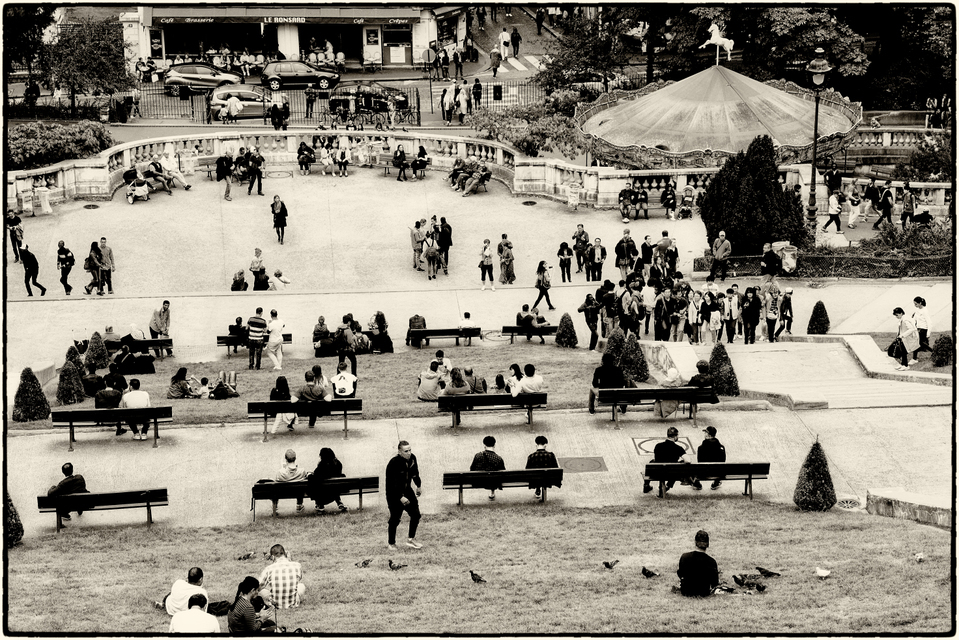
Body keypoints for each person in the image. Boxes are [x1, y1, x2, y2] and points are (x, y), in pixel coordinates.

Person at [386, 440, 423, 551]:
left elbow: (415, 473)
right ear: (399, 452)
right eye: (406, 451)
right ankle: (391, 543)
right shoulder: (393, 463)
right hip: (394, 494)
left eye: (410, 450)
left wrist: (418, 485)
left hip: (407, 491)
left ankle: (411, 540)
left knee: (416, 515)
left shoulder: (412, 459)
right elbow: (391, 484)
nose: (409, 453)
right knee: (395, 519)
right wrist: (400, 497)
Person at [643, 426, 701, 494]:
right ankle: (667, 486)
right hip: (672, 474)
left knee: (652, 462)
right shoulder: (678, 448)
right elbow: (688, 460)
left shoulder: (658, 446)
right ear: (675, 436)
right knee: (677, 465)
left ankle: (646, 485)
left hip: (658, 473)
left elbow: (657, 458)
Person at [308, 447, 349, 513]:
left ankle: (320, 505)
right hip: (335, 491)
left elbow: (316, 475)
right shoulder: (338, 464)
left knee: (315, 483)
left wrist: (309, 475)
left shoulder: (322, 465)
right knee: (333, 484)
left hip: (324, 493)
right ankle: (339, 501)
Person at [268, 449, 309, 515]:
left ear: (286, 460)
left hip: (284, 492)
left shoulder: (280, 473)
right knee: (300, 487)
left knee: (275, 489)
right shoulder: (302, 471)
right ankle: (299, 505)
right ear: (295, 458)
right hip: (298, 492)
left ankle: (274, 508)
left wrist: (283, 468)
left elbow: (276, 482)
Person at [470, 435, 506, 500]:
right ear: (494, 445)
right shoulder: (499, 458)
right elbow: (503, 472)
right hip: (493, 483)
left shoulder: (478, 455)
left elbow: (472, 469)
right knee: (494, 475)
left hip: (479, 482)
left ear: (484, 446)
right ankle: (492, 492)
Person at [525, 435, 559, 501]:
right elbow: (556, 468)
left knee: (536, 475)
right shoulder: (551, 455)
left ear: (536, 445)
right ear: (545, 445)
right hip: (548, 479)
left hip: (535, 480)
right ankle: (541, 490)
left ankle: (538, 489)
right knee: (544, 474)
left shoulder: (531, 456)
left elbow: (527, 470)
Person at [892, 307, 919, 371]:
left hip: (909, 338)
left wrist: (902, 335)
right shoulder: (903, 318)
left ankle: (905, 365)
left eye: (897, 315)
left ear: (901, 313)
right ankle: (903, 364)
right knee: (903, 351)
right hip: (905, 338)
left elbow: (912, 329)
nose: (896, 317)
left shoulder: (905, 320)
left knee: (904, 351)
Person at [911, 296, 931, 363]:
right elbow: (915, 319)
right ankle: (914, 358)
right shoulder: (917, 310)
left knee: (919, 343)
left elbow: (929, 322)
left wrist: (928, 333)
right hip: (918, 328)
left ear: (920, 303)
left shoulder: (925, 310)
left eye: (916, 304)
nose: (915, 305)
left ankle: (914, 359)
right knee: (918, 343)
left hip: (923, 329)